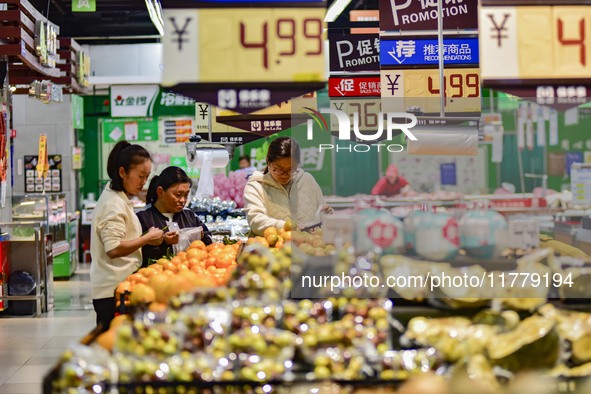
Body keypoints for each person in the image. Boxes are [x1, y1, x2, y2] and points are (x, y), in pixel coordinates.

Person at [90, 141, 164, 331]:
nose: (143, 182)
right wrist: (147, 238)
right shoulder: (113, 204)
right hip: (112, 291)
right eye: (140, 176)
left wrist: (153, 236)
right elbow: (113, 248)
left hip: (120, 286)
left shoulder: (119, 199)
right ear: (122, 172)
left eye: (147, 177)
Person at [244, 137, 332, 235]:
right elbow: (256, 221)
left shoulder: (307, 180)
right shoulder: (256, 186)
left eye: (291, 169)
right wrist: (287, 226)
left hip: (308, 246)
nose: (285, 174)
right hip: (273, 248)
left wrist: (327, 216)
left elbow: (321, 211)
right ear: (269, 162)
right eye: (278, 169)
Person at [137, 166, 212, 266]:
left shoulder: (189, 216)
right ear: (160, 192)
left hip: (190, 274)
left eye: (186, 195)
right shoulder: (143, 218)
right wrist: (163, 242)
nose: (182, 200)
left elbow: (209, 242)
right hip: (155, 276)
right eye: (178, 194)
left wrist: (201, 237)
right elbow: (137, 252)